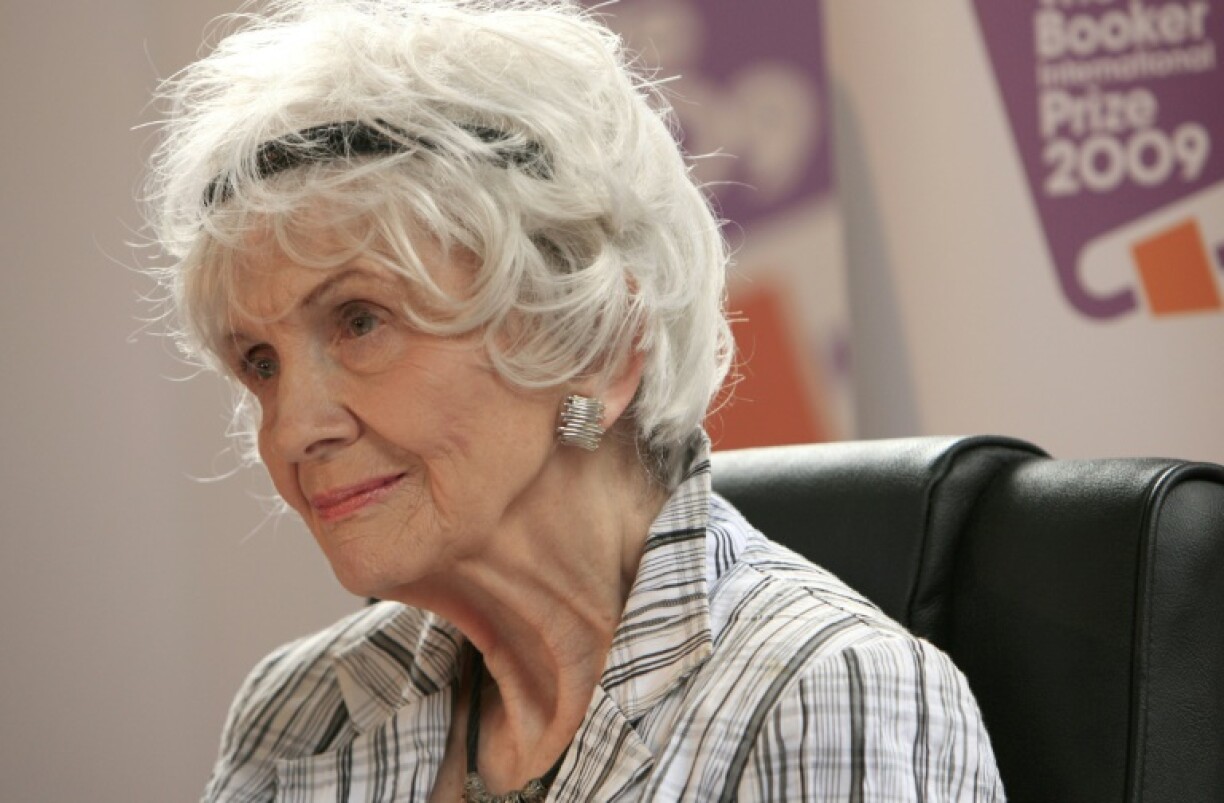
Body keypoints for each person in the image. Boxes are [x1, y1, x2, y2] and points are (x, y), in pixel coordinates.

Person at [146, 1, 1005, 799]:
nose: (292, 428)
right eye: (260, 363)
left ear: (596, 342)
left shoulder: (826, 695)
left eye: (361, 320)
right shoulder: (300, 716)